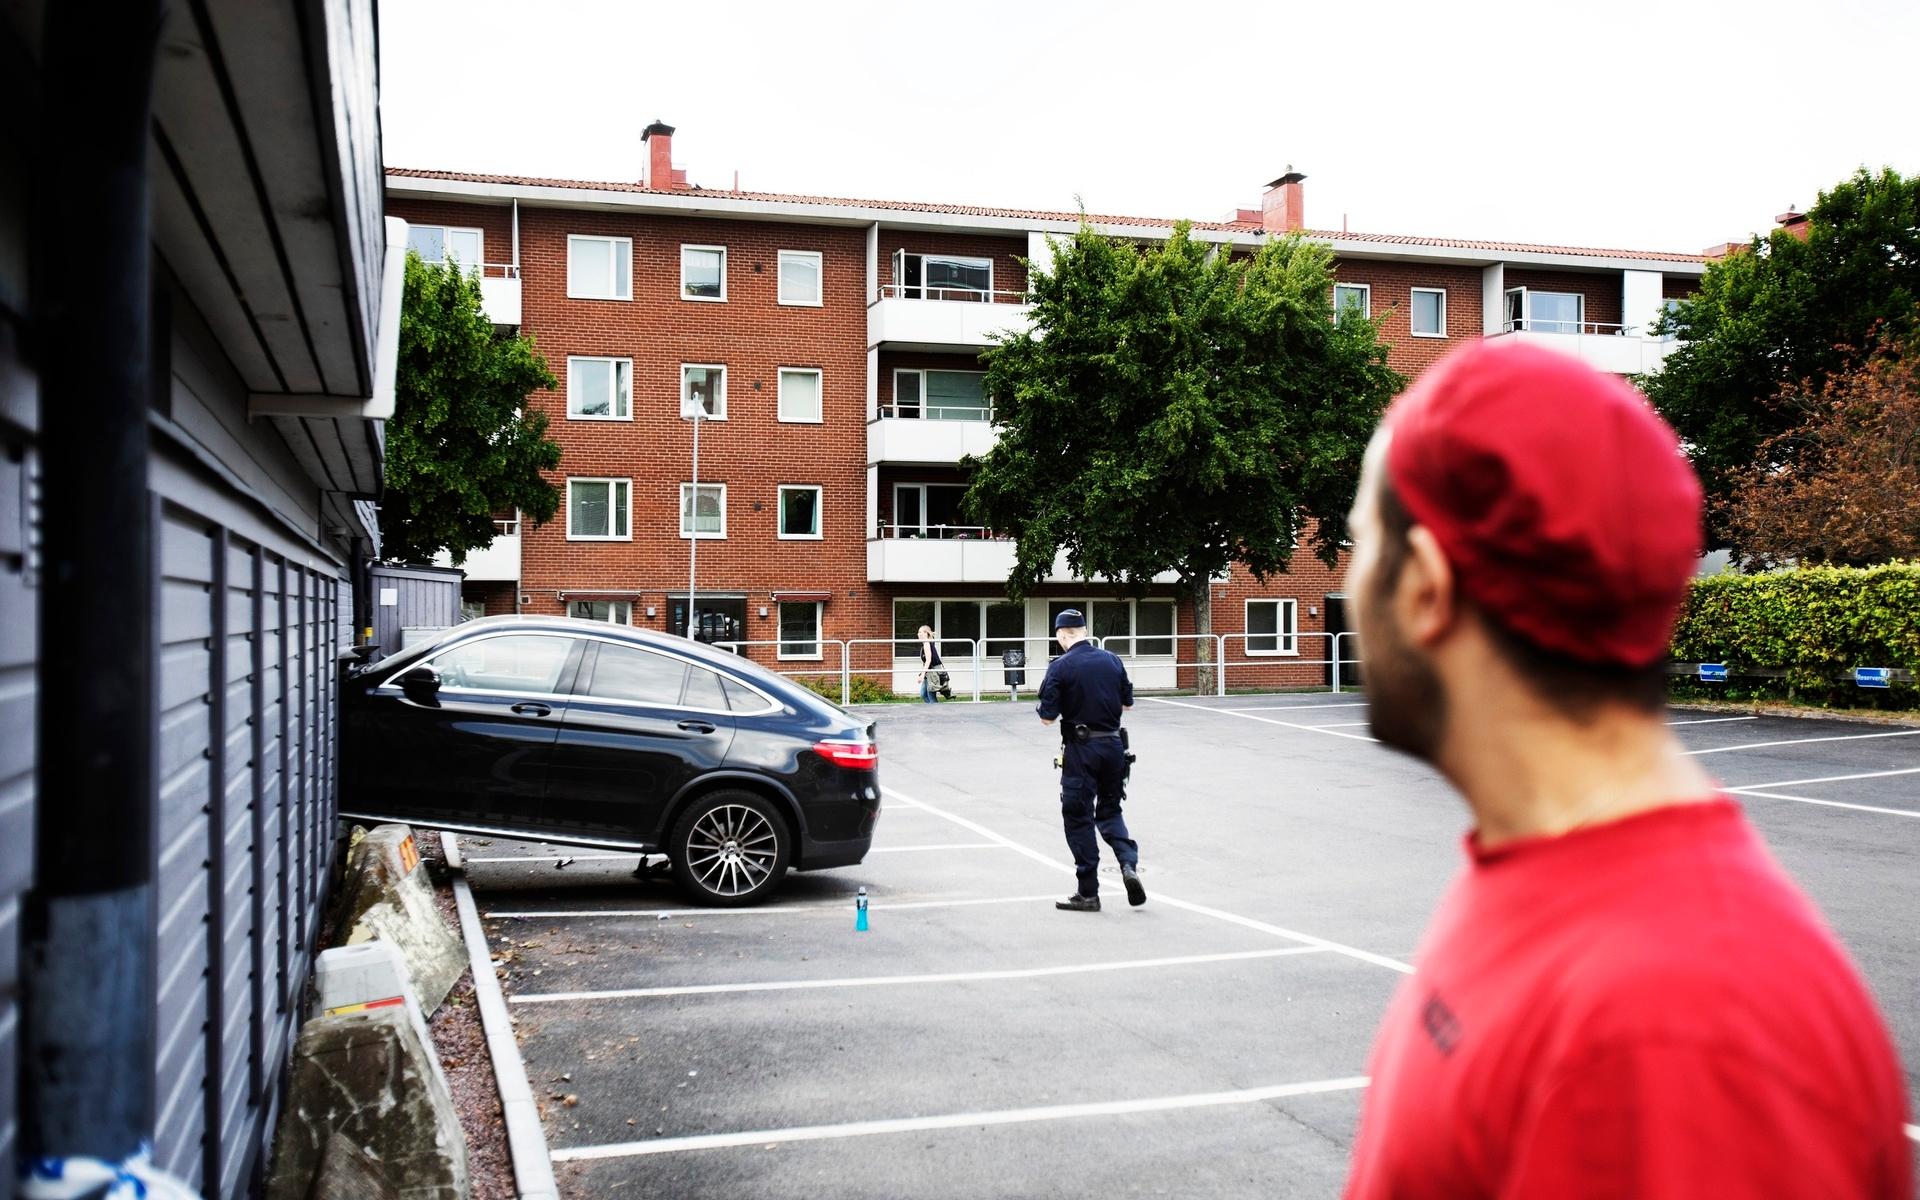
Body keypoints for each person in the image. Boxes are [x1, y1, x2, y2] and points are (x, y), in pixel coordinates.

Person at [1341, 340, 1912, 1198]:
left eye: (1357, 545)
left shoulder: (1671, 1034)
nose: (1350, 587)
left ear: (1425, 587)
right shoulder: (1547, 875)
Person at [1036, 609, 1145, 911]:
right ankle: (1127, 863)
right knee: (1110, 811)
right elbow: (1127, 704)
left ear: (1061, 635)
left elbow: (1047, 717)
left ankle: (1088, 893)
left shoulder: (1060, 667)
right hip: (1113, 746)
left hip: (1081, 750)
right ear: (1084, 631)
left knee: (1078, 816)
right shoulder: (1112, 660)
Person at [915, 624, 943, 704]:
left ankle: (936, 712)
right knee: (923, 694)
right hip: (929, 671)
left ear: (926, 633)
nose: (918, 634)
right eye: (918, 632)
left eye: (920, 632)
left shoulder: (927, 643)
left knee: (931, 696)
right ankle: (931, 710)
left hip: (933, 671)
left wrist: (922, 675)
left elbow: (928, 660)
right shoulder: (926, 643)